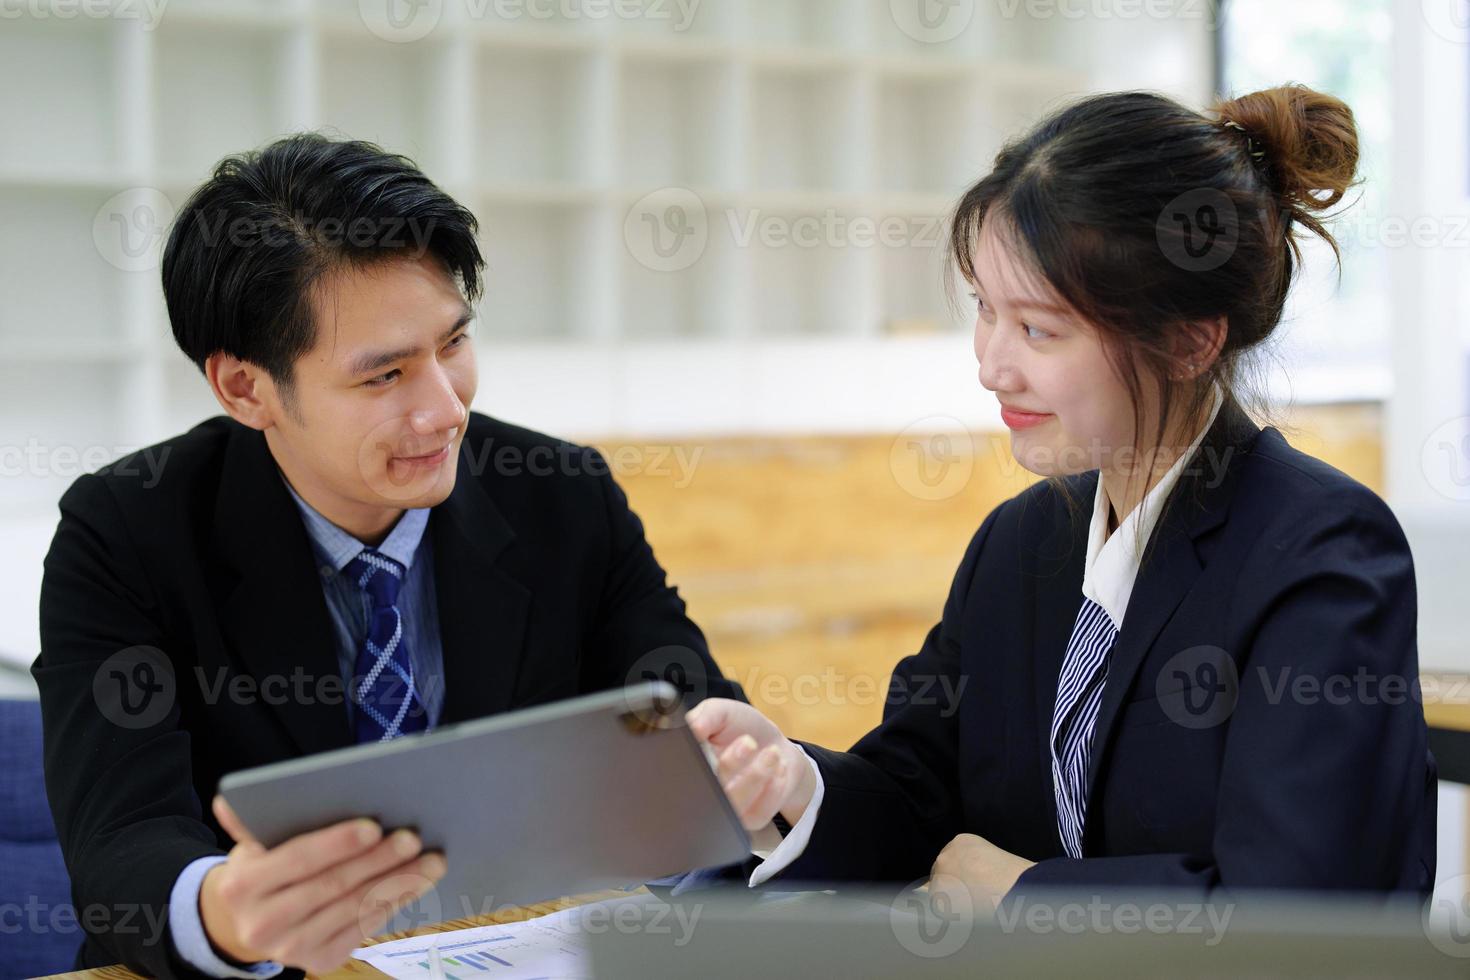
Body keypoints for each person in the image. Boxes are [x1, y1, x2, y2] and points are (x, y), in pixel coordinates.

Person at [688, 83, 1437, 905]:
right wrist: (793, 782)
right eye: (985, 310)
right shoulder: (1022, 543)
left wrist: (1020, 894)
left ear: (1189, 341)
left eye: (1039, 329)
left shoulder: (1320, 550)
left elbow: (1294, 910)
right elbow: (914, 797)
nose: (991, 366)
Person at [33, 134, 740, 979]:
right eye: (384, 377)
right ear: (245, 389)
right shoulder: (127, 532)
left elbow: (697, 745)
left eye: (452, 346)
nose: (445, 413)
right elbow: (123, 835)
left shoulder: (562, 495)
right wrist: (228, 914)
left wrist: (731, 786)